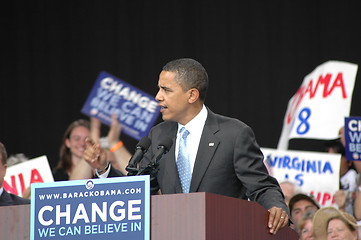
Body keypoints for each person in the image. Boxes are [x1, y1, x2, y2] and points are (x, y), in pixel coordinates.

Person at [83, 58, 290, 234]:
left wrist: (276, 207)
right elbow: (136, 190)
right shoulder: (159, 134)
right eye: (158, 88)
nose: (157, 96)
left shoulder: (234, 134)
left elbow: (262, 186)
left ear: (191, 95)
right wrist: (103, 168)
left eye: (166, 89)